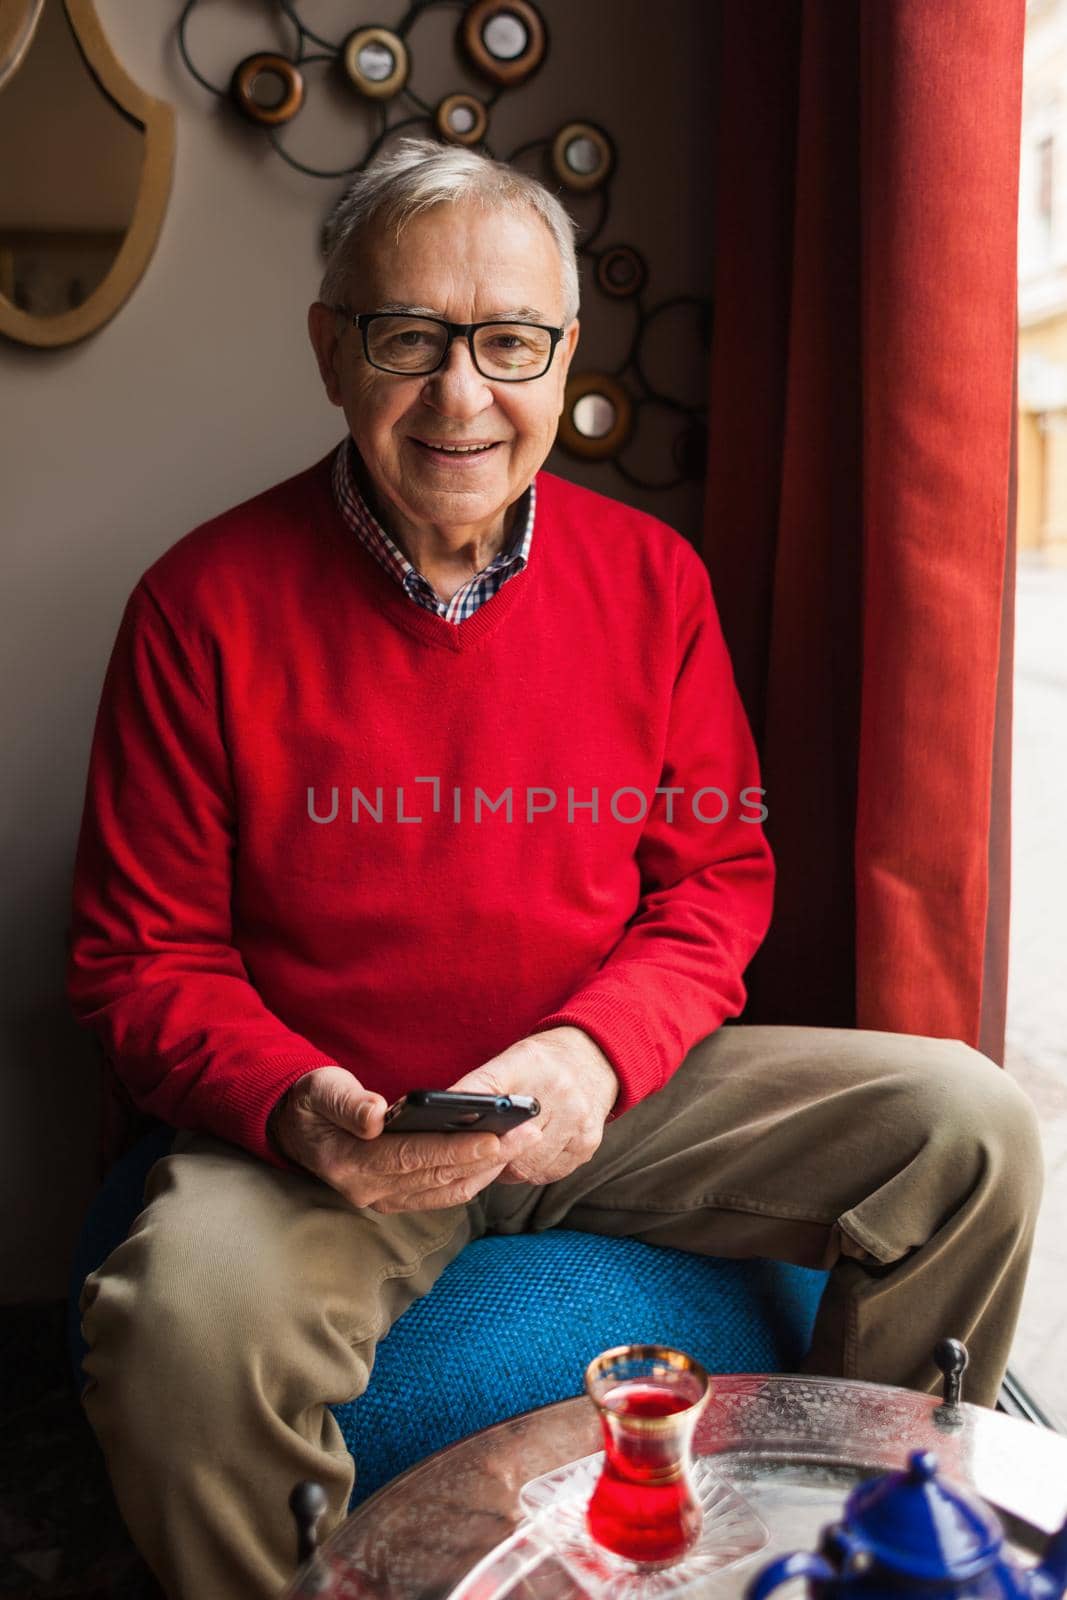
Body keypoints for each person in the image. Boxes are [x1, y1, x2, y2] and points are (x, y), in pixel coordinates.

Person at [68, 138, 1042, 1600]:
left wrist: (595, 1054)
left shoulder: (656, 580)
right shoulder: (197, 606)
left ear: (564, 354)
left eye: (509, 343)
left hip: (614, 1097)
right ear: (334, 350)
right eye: (410, 339)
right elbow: (138, 961)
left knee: (970, 1130)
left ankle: (861, 1551)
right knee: (175, 1331)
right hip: (344, 1131)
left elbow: (715, 879)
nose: (463, 395)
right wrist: (297, 1106)